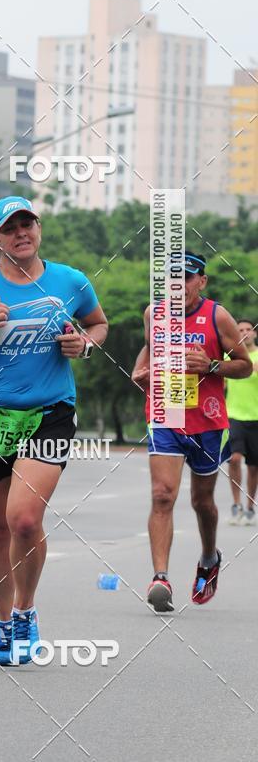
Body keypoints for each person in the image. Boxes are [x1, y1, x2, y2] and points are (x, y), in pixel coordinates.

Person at [0, 196, 108, 666]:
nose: (21, 233)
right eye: (10, 228)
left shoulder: (70, 281)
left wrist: (84, 345)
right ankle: (3, 623)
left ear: (38, 228)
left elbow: (98, 324)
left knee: (24, 520)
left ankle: (25, 612)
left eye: (27, 223)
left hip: (50, 412)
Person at [132, 252, 253, 613]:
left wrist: (213, 365)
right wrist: (140, 372)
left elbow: (245, 366)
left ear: (202, 281)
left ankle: (208, 556)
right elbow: (149, 353)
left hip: (207, 420)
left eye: (186, 277)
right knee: (162, 494)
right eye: (171, 278)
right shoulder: (153, 314)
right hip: (165, 414)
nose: (178, 285)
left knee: (202, 502)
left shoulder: (218, 316)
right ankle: (160, 578)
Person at [225, 319, 258, 525]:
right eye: (240, 330)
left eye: (248, 330)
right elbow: (220, 383)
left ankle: (249, 506)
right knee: (235, 459)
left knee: (254, 467)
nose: (245, 332)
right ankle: (236, 504)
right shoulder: (230, 357)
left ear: (254, 334)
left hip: (256, 418)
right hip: (233, 415)